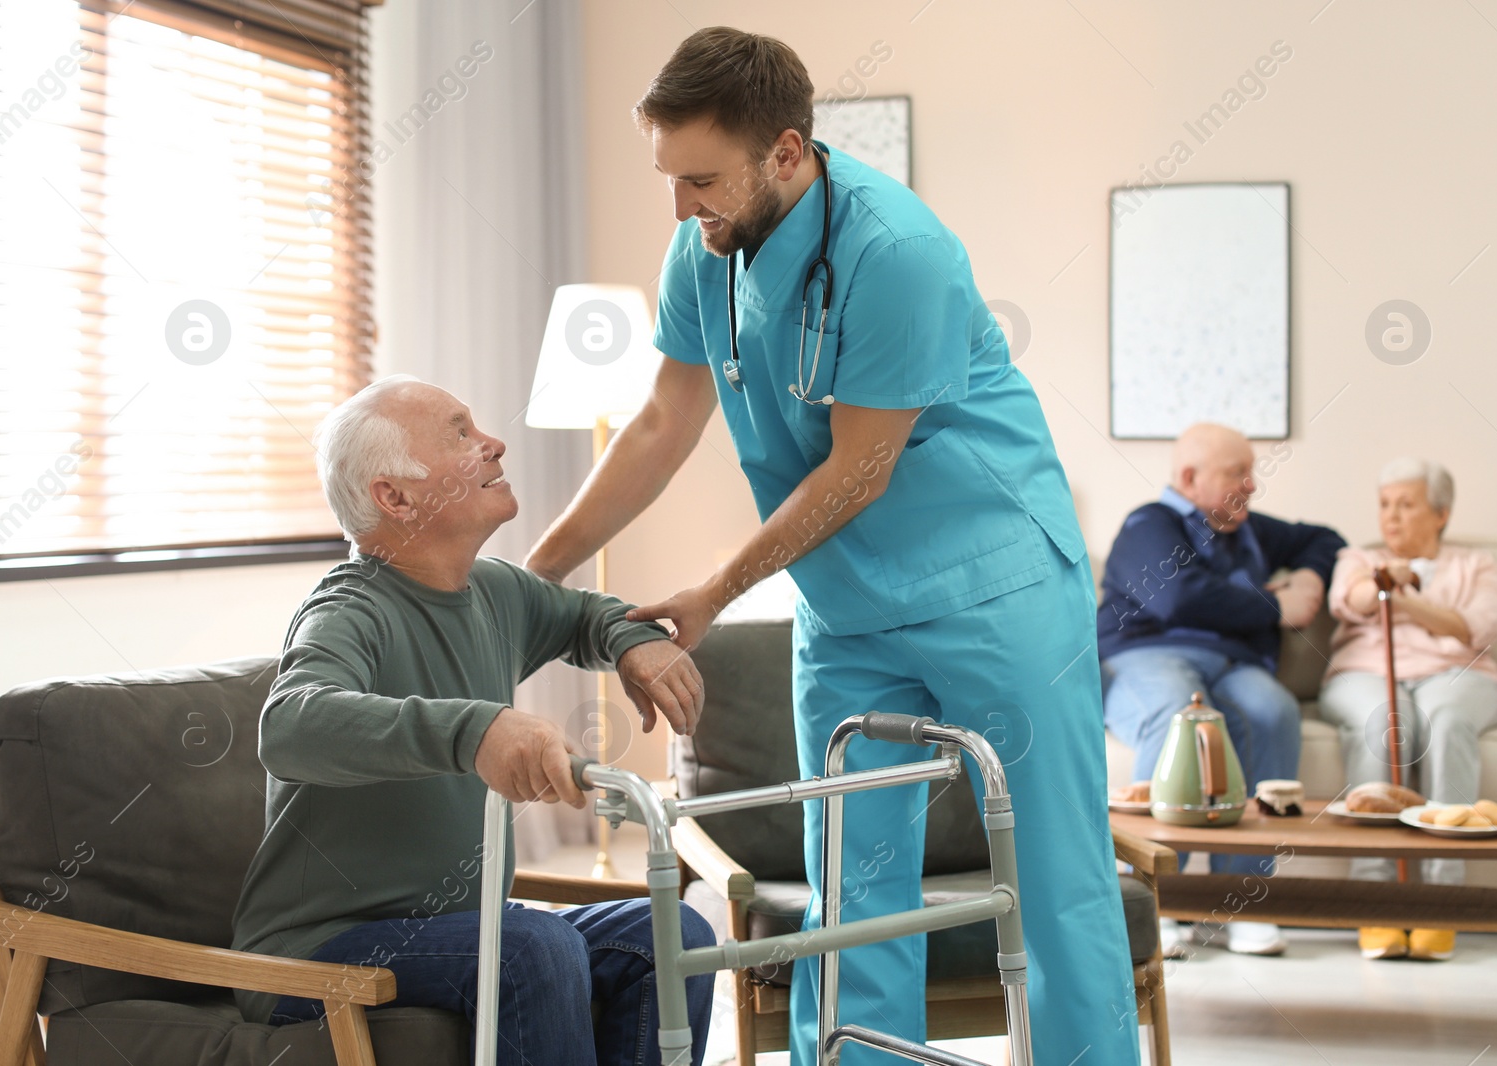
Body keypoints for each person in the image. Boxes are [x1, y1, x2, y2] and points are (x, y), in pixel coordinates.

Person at [525, 27, 1138, 1066]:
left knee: (1053, 876)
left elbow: (862, 468)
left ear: (788, 151)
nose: (680, 207)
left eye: (701, 179)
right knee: (851, 889)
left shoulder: (897, 252)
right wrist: (528, 577)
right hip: (848, 605)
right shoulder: (703, 247)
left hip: (993, 585)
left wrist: (716, 589)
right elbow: (660, 428)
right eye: (669, 179)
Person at [231, 376, 715, 1066]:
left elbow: (584, 615)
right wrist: (476, 730)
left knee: (675, 934)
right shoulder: (349, 609)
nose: (494, 443)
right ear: (394, 498)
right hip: (317, 948)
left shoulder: (494, 591)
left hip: (458, 926)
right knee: (531, 946)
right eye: (461, 433)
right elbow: (291, 726)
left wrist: (633, 641)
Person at [1099, 422, 1344, 956]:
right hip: (1146, 658)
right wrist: (1273, 604)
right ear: (1190, 477)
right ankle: (1152, 903)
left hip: (1233, 664)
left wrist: (1308, 580)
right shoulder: (1150, 523)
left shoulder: (1248, 529)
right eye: (1239, 473)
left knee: (1273, 709)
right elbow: (1177, 598)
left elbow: (1325, 539)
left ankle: (1244, 902)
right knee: (1179, 717)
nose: (1253, 485)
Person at [1317, 458, 1497, 962]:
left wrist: (1398, 598)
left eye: (1406, 504)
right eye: (1384, 504)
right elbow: (1353, 597)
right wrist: (1380, 581)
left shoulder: (1477, 564)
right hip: (1367, 676)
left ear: (1440, 514)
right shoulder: (1360, 557)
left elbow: (1474, 629)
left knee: (1446, 720)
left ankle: (1443, 899)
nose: (1391, 517)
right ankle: (1374, 897)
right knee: (1388, 719)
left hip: (1457, 676)